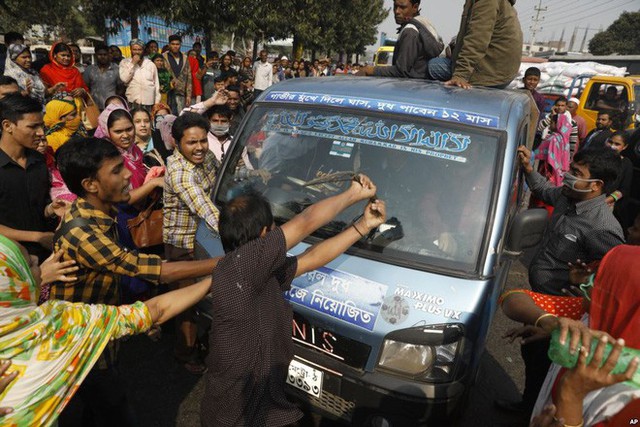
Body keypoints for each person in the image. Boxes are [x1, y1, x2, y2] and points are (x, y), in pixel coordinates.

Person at [52, 136, 219, 424]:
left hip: (102, 337)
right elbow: (155, 270)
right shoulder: (83, 234)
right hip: (86, 348)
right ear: (90, 185)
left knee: (95, 411)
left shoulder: (98, 209)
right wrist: (224, 263)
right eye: (117, 170)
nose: (129, 173)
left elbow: (129, 198)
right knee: (116, 411)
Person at [200, 176, 386, 427]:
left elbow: (311, 258)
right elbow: (306, 221)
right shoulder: (243, 265)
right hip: (237, 417)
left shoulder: (254, 273)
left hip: (258, 406)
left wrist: (363, 225)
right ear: (265, 234)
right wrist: (354, 193)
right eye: (275, 228)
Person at [0, 234, 219, 427]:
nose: (39, 261)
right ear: (16, 286)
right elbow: (156, 309)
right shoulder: (58, 323)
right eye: (28, 263)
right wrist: (216, 276)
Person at [500, 146, 625, 416]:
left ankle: (539, 415)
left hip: (562, 311)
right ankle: (528, 406)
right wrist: (530, 171)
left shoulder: (602, 228)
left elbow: (614, 278)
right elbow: (545, 191)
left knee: (548, 369)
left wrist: (584, 282)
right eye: (570, 169)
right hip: (539, 300)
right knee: (532, 359)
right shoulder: (568, 197)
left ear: (596, 185)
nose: (567, 176)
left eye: (576, 173)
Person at [163, 112, 221, 372]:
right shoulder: (179, 173)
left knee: (204, 297)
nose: (199, 148)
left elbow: (222, 180)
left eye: (203, 141)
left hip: (205, 240)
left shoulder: (207, 157)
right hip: (183, 246)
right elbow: (206, 209)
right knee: (186, 302)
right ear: (177, 143)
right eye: (191, 143)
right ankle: (184, 354)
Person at [0, 94, 66, 262]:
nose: (41, 133)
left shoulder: (38, 161)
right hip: (10, 260)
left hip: (45, 255)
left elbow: (39, 207)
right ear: (8, 126)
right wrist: (36, 237)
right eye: (33, 127)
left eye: (42, 126)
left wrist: (51, 209)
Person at [434, 0, 523, 89]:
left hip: (490, 74)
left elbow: (476, 42)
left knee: (431, 66)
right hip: (500, 72)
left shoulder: (486, 2)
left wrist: (460, 75)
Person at [359, 0, 443, 79]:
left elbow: (401, 71)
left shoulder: (410, 32)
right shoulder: (422, 25)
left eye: (402, 7)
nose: (397, 11)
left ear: (415, 7)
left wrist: (370, 70)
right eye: (395, 6)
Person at [119, 38, 161, 111]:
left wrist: (157, 102)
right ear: (130, 50)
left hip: (149, 103)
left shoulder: (150, 64)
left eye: (139, 49)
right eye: (134, 49)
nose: (137, 52)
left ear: (143, 50)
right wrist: (133, 63)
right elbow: (124, 79)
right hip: (133, 102)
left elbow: (156, 85)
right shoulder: (125, 62)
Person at [605, 132, 634, 231]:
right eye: (610, 142)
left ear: (624, 147)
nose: (612, 146)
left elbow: (623, 190)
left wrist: (605, 201)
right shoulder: (596, 158)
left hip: (607, 206)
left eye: (617, 144)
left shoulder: (626, 164)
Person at [83, 44, 123, 110]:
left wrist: (116, 100)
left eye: (105, 54)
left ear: (108, 55)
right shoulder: (89, 69)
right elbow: (86, 88)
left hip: (111, 107)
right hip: (94, 107)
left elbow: (120, 88)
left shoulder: (116, 69)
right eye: (100, 55)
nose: (103, 57)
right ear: (96, 55)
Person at [163, 34, 192, 113]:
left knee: (180, 118)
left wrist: (189, 95)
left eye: (177, 44)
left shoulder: (185, 58)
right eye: (173, 44)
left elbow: (189, 77)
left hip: (181, 94)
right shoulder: (163, 57)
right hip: (167, 94)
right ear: (169, 45)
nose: (175, 46)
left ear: (180, 45)